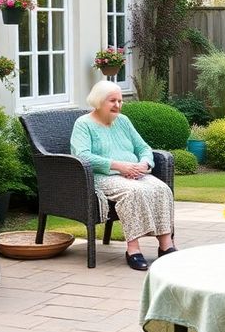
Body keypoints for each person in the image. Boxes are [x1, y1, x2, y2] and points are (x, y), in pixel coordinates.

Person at [70, 80, 176, 271]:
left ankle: (166, 246)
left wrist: (144, 164)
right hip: (103, 176)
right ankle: (133, 250)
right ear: (99, 101)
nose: (118, 105)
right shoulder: (83, 124)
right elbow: (82, 156)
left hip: (134, 172)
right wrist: (119, 166)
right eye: (112, 101)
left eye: (120, 101)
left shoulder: (123, 121)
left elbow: (143, 148)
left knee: (162, 189)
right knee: (133, 192)